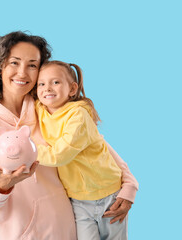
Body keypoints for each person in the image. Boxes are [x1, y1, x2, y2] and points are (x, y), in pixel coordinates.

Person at [0, 31, 138, 240]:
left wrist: (129, 186)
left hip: (65, 230)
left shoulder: (49, 110)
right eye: (14, 63)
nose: (22, 72)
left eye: (32, 65)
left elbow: (96, 145)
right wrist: (1, 186)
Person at [36, 60, 138, 239]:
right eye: (41, 84)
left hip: (109, 194)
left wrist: (30, 152)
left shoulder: (78, 115)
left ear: (72, 89)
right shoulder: (40, 109)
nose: (47, 88)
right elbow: (12, 99)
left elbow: (60, 155)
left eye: (56, 82)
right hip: (78, 200)